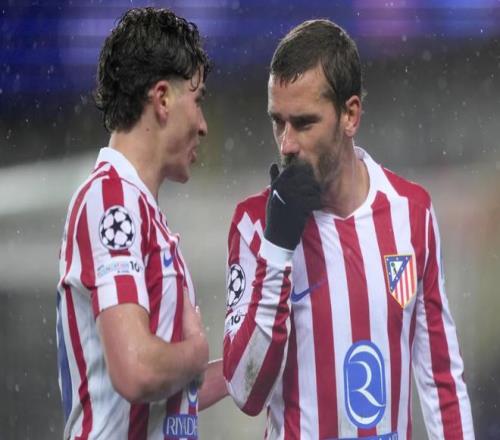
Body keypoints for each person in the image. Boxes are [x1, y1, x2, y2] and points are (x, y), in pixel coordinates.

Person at [223, 19, 474, 440]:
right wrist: (278, 249)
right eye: (277, 122)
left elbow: (441, 379)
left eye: (304, 123)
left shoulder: (411, 213)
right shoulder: (254, 224)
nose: (286, 144)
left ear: (350, 115)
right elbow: (245, 392)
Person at [56, 7, 227, 439]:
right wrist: (195, 353)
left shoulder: (141, 210)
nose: (203, 125)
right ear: (162, 99)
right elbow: (136, 370)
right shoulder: (110, 200)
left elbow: (166, 398)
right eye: (198, 99)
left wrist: (247, 365)